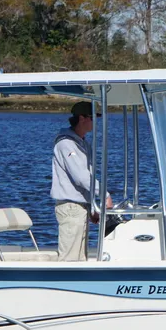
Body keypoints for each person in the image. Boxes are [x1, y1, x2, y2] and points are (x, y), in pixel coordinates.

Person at [51, 101, 113, 261]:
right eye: (93, 118)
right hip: (71, 207)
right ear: (82, 118)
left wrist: (90, 205)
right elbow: (81, 177)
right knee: (70, 259)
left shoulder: (81, 142)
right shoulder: (67, 143)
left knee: (80, 258)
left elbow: (85, 176)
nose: (95, 122)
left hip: (79, 207)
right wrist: (104, 195)